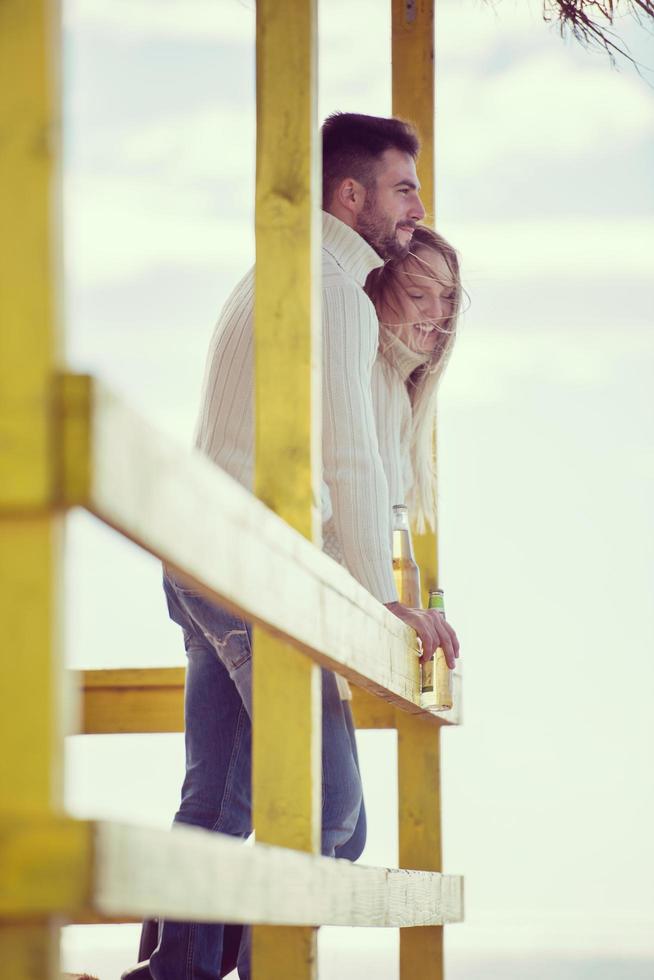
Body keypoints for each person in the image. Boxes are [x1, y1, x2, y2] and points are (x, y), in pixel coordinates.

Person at [122, 113, 460, 980]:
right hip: (249, 571)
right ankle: (175, 975)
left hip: (209, 560)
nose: (417, 205)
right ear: (351, 196)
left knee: (220, 803)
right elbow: (347, 458)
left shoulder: (282, 270)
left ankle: (170, 974)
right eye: (403, 187)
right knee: (330, 817)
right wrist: (374, 606)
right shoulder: (330, 290)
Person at [365, 223, 461, 536]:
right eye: (418, 294)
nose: (437, 312)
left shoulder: (397, 386)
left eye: (447, 296)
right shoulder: (374, 376)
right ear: (377, 294)